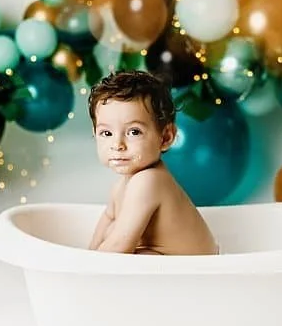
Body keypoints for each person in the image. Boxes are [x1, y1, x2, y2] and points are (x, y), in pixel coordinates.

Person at [87, 69, 218, 255]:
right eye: (106, 133)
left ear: (165, 137)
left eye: (134, 132)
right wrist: (86, 256)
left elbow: (118, 247)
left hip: (195, 272)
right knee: (113, 229)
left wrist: (84, 273)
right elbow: (106, 224)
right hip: (175, 268)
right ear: (95, 135)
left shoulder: (149, 181)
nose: (117, 145)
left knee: (127, 249)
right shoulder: (121, 187)